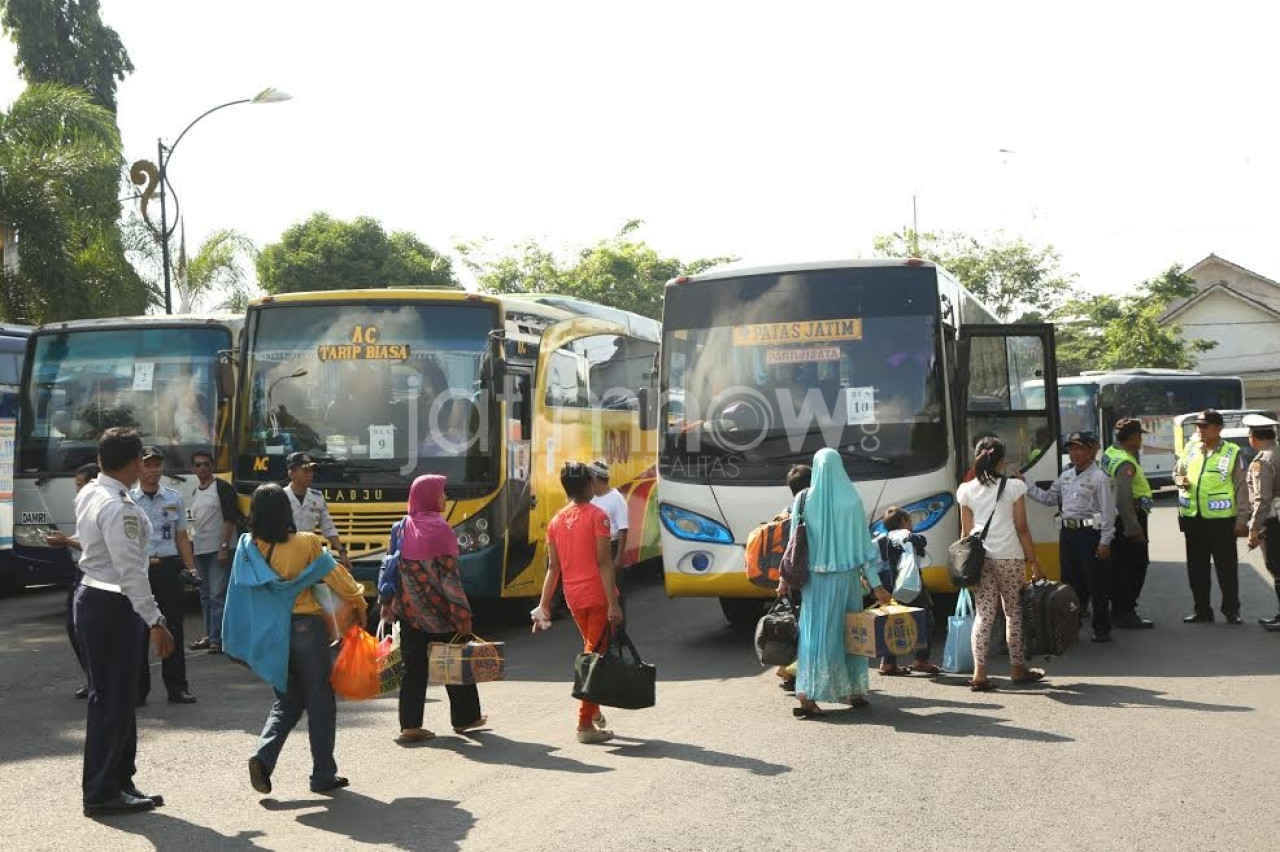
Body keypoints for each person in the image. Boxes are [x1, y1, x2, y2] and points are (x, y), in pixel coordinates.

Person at [223, 484, 367, 795]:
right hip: (305, 630)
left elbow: (238, 595)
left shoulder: (247, 547)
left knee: (288, 700)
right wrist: (360, 602)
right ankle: (323, 774)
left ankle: (263, 757)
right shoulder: (306, 542)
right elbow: (337, 577)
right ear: (286, 511)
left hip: (269, 634)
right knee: (320, 700)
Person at [74, 428, 175, 816]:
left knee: (118, 697)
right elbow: (130, 572)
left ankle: (119, 779)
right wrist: (156, 620)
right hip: (113, 603)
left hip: (98, 598)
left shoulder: (92, 492)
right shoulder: (119, 507)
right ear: (134, 462)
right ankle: (102, 790)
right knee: (112, 701)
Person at [775, 448, 892, 718]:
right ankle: (852, 691)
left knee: (816, 636)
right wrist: (877, 586)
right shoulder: (852, 500)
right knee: (851, 635)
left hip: (815, 583)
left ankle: (806, 696)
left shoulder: (803, 499)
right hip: (847, 581)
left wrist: (784, 579)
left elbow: (793, 544)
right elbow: (864, 549)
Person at [378, 474, 486, 743]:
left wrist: (388, 604)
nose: (445, 497)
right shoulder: (441, 530)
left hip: (409, 613)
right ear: (428, 497)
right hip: (441, 614)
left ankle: (410, 725)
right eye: (441, 493)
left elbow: (391, 570)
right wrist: (462, 614)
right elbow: (450, 579)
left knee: (413, 669)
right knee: (453, 662)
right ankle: (465, 718)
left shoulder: (400, 528)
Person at [531, 461, 623, 744]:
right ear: (589, 485)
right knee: (593, 658)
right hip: (598, 596)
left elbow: (553, 568)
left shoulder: (556, 521)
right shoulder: (598, 517)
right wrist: (613, 604)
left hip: (574, 597)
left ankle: (593, 710)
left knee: (590, 651)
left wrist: (544, 606)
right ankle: (584, 724)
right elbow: (604, 563)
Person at [957, 436, 1046, 692]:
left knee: (984, 614)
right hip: (1009, 557)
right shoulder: (1014, 487)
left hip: (980, 559)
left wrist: (965, 567)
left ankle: (979, 674)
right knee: (1013, 611)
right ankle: (1017, 668)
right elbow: (1022, 528)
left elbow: (965, 533)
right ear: (1002, 461)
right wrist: (1034, 562)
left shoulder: (966, 490)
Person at [1021, 432, 1116, 643]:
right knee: (1071, 583)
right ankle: (1071, 626)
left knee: (1096, 582)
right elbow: (1048, 498)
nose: (1075, 453)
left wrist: (1105, 541)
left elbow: (1108, 513)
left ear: (1091, 451)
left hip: (1090, 534)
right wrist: (1026, 483)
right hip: (1068, 534)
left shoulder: (1099, 478)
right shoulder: (1066, 476)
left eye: (1080, 448)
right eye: (1072, 449)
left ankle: (1101, 628)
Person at [131, 447, 199, 705]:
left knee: (173, 628)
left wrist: (191, 569)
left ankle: (177, 687)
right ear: (138, 467)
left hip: (169, 568)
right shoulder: (128, 500)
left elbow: (182, 536)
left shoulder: (174, 497)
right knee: (139, 630)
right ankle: (138, 690)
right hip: (141, 569)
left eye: (157, 465)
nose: (153, 470)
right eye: (148, 465)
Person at [1173, 409, 1249, 624]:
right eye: (1198, 426)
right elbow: (1177, 472)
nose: (1200, 430)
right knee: (1196, 567)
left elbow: (1241, 488)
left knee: (1226, 567)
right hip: (1193, 518)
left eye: (1204, 426)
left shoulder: (1232, 452)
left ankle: (1231, 610)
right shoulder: (1190, 448)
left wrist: (1242, 520)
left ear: (1218, 428)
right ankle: (1202, 610)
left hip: (1221, 521)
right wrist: (1180, 481)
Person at [1100, 419, 1157, 630]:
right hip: (1129, 520)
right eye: (1139, 436)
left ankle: (1117, 610)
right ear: (1132, 438)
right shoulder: (1125, 463)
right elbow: (1124, 500)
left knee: (1119, 567)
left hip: (1117, 519)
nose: (1141, 439)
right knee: (1133, 567)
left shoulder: (1110, 453)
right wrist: (1134, 530)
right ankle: (1125, 612)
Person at [49, 462, 99, 699]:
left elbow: (93, 545)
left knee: (88, 629)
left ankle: (100, 680)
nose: (77, 491)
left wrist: (66, 541)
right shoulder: (84, 506)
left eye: (80, 485)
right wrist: (65, 538)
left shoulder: (103, 507)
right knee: (74, 627)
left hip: (95, 575)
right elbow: (81, 538)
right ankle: (92, 677)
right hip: (80, 571)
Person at [186, 449, 241, 655]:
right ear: (192, 469)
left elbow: (230, 519)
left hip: (219, 551)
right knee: (204, 595)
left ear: (212, 466)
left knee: (218, 595)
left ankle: (218, 639)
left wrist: (224, 547)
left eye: (206, 464)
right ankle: (209, 635)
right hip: (200, 550)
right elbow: (192, 524)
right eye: (198, 465)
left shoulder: (222, 488)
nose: (202, 468)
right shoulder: (195, 493)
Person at [873, 507, 939, 675]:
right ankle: (921, 659)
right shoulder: (907, 536)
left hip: (888, 588)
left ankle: (887, 663)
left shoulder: (881, 540)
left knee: (891, 623)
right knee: (924, 619)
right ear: (904, 521)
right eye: (910, 521)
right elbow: (921, 542)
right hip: (910, 586)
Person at [774, 464, 811, 691]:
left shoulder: (786, 512)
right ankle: (790, 671)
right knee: (805, 627)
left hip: (790, 575)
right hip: (802, 576)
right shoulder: (804, 510)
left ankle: (787, 670)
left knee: (797, 625)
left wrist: (782, 580)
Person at [1242, 414, 1280, 630]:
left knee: (1276, 567)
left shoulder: (1263, 460)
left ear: (1253, 437)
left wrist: (1254, 528)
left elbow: (1263, 499)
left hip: (1273, 522)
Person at [284, 452, 351, 570]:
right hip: (284, 556)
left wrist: (341, 552)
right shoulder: (280, 497)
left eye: (311, 471)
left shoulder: (317, 497)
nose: (310, 474)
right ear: (292, 473)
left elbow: (328, 527)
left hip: (308, 556)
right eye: (305, 471)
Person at [587, 461, 630, 571]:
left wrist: (619, 557)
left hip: (611, 548)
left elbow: (623, 530)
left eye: (589, 477)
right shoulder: (590, 498)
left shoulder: (617, 498)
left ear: (595, 478)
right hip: (593, 548)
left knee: (611, 581)